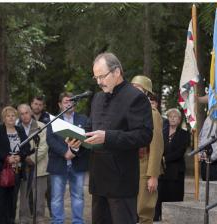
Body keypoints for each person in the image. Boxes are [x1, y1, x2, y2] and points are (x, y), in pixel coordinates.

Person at [83, 52, 153, 223]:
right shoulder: (98, 98)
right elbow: (90, 128)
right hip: (98, 179)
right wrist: (76, 140)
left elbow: (143, 135)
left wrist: (107, 137)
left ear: (117, 72)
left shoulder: (136, 97)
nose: (99, 82)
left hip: (121, 181)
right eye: (96, 77)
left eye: (102, 76)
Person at [46, 92, 89, 224]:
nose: (69, 104)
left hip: (78, 163)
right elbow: (50, 140)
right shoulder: (53, 120)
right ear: (60, 104)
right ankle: (57, 221)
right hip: (59, 163)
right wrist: (65, 152)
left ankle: (78, 221)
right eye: (66, 101)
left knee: (78, 197)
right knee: (57, 198)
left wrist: (74, 151)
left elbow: (87, 139)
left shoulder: (83, 119)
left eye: (71, 101)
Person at [0, 106, 31, 224]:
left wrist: (20, 156)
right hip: (0, 172)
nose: (11, 118)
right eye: (8, 116)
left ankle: (10, 221)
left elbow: (27, 146)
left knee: (12, 201)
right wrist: (6, 158)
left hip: (16, 171)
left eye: (13, 115)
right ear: (3, 118)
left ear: (16, 117)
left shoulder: (20, 130)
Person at [130, 75, 164, 224]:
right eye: (132, 87)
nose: (133, 91)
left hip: (145, 166)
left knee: (144, 210)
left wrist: (153, 175)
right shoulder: (129, 110)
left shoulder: (152, 114)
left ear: (146, 92)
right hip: (129, 165)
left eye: (137, 88)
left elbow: (156, 146)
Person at [154, 108, 190, 221]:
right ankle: (157, 218)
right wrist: (160, 159)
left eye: (175, 117)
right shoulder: (161, 132)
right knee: (159, 197)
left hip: (176, 172)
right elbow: (157, 147)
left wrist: (165, 158)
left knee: (174, 197)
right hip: (162, 171)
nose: (172, 118)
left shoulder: (184, 134)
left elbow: (180, 152)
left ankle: (173, 220)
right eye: (170, 116)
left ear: (179, 120)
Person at [17, 104, 49, 223]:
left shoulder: (41, 126)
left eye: (26, 113)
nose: (24, 116)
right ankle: (23, 218)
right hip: (22, 167)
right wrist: (24, 157)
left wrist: (32, 158)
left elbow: (44, 146)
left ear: (30, 113)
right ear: (19, 115)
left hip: (39, 166)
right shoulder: (16, 127)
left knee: (39, 196)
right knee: (24, 195)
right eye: (21, 113)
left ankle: (39, 219)